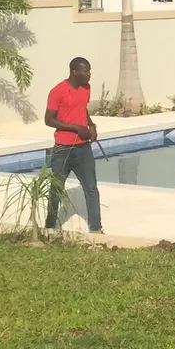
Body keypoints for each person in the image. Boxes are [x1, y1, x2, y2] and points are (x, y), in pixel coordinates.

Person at [44, 57, 102, 233]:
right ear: (74, 71)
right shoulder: (58, 91)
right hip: (63, 149)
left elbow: (81, 109)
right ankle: (50, 225)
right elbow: (49, 120)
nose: (89, 74)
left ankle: (96, 228)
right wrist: (76, 128)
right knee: (56, 188)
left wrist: (90, 125)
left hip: (83, 148)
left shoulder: (86, 88)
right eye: (86, 71)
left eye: (90, 70)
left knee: (91, 188)